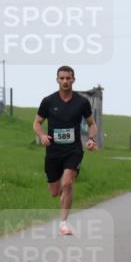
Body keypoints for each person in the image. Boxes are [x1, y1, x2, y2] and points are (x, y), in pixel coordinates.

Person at [33, 66, 97, 235]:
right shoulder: (48, 101)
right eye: (62, 78)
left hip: (73, 150)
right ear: (57, 80)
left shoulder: (82, 102)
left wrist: (91, 139)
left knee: (67, 183)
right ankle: (62, 191)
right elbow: (37, 122)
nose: (65, 81)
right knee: (55, 192)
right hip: (53, 151)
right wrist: (42, 136)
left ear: (73, 79)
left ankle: (63, 223)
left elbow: (92, 124)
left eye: (68, 78)